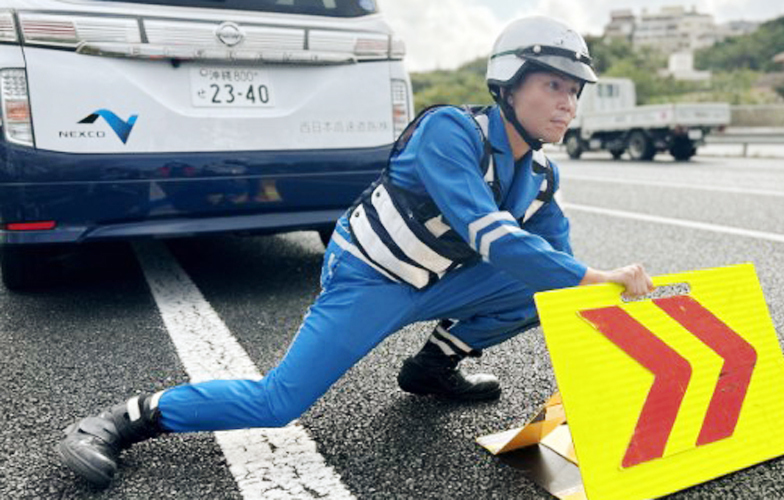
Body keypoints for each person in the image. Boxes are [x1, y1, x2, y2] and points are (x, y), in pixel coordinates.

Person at [56, 16, 655, 488]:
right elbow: (489, 234)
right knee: (278, 403)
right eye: (553, 85)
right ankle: (124, 418)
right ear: (508, 81)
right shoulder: (450, 130)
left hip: (437, 281)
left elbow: (560, 271)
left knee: (551, 284)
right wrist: (592, 276)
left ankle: (430, 368)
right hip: (369, 280)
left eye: (575, 91)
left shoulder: (543, 176)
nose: (568, 104)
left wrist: (611, 350)